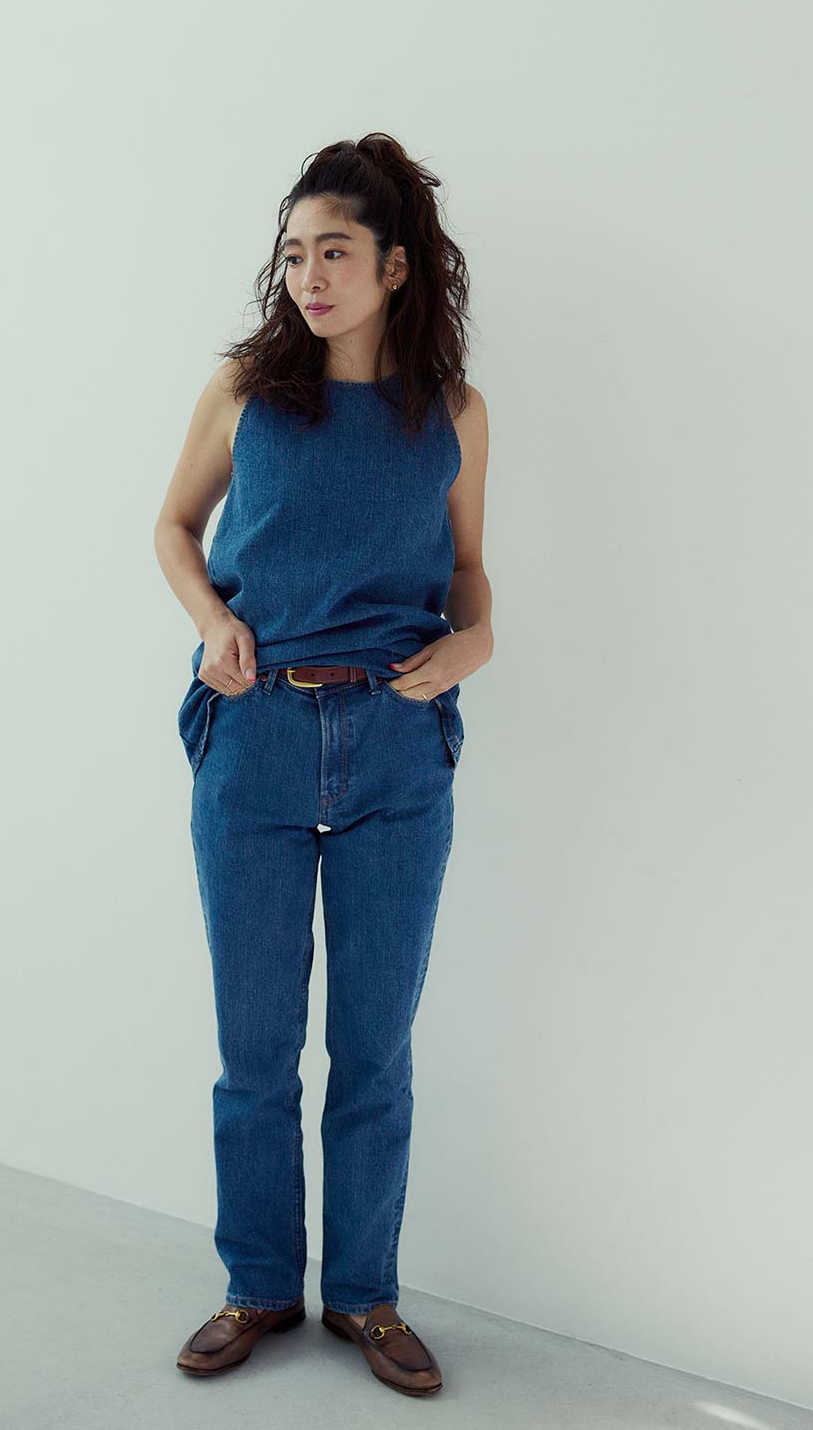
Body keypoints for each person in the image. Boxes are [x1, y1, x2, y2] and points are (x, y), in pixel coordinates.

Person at [153, 132, 492, 1398]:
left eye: (335, 252)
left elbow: (469, 569)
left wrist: (479, 639)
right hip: (255, 734)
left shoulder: (453, 413)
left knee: (374, 1053)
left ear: (396, 267)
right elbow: (173, 526)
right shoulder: (247, 389)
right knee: (254, 1054)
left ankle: (364, 1295)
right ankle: (257, 1286)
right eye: (294, 253)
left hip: (399, 743)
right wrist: (213, 622)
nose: (309, 276)